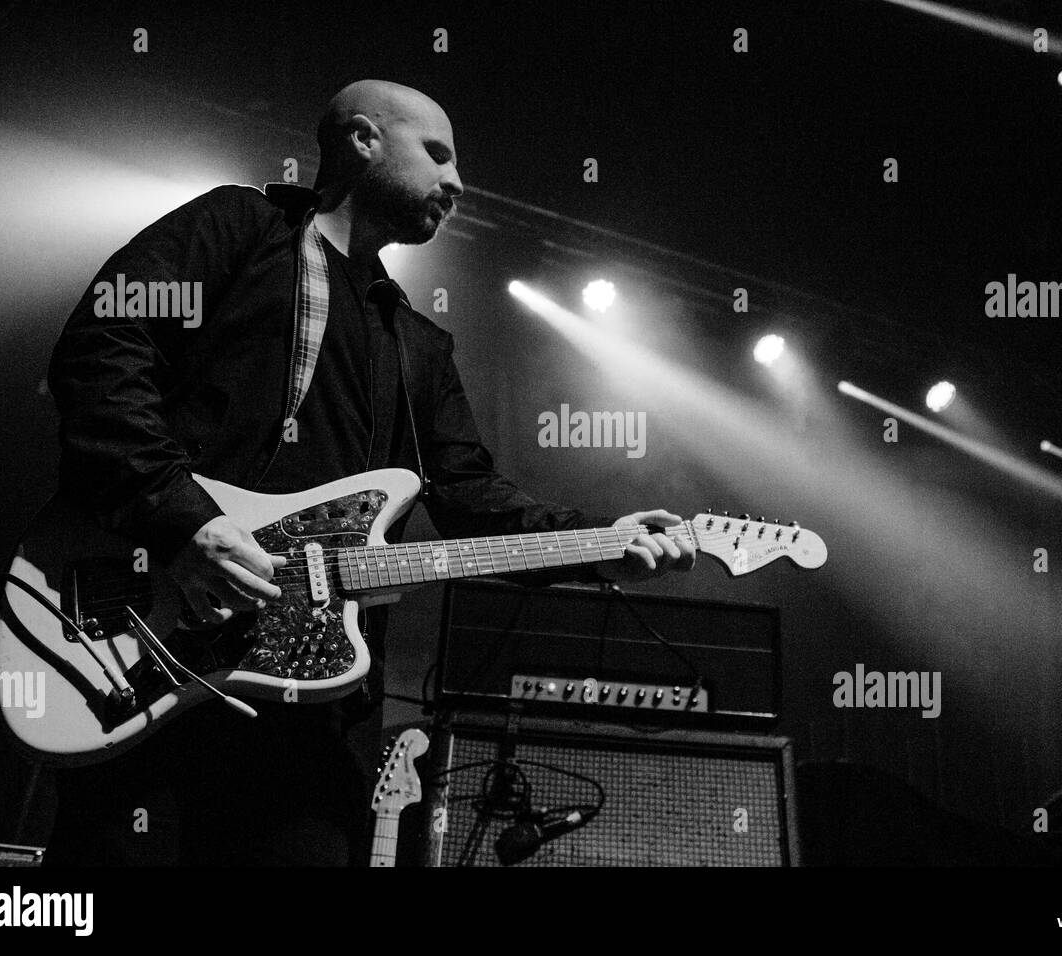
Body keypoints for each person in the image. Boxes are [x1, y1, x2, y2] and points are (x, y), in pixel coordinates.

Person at [41, 80, 695, 866]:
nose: (457, 183)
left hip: (307, 702)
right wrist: (184, 520)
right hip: (143, 636)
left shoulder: (417, 344)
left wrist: (601, 541)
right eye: (439, 153)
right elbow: (103, 349)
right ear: (361, 140)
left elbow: (470, 500)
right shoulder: (239, 226)